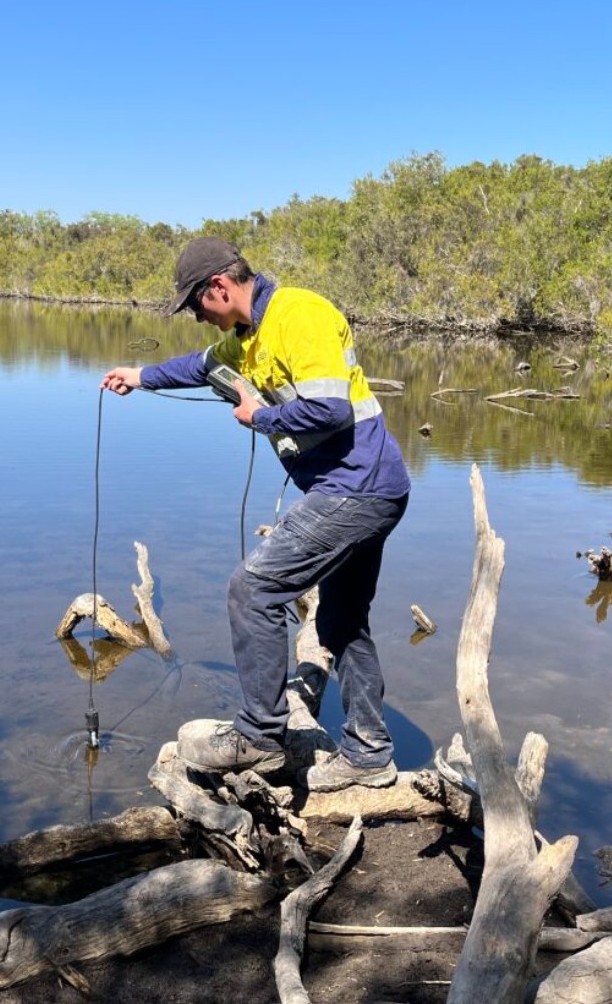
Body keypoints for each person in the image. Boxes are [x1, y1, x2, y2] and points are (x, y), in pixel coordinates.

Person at [101, 237, 411, 792]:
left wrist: (259, 416)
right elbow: (198, 368)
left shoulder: (299, 312)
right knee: (341, 622)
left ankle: (261, 737)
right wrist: (140, 376)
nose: (196, 316)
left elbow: (330, 407)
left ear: (219, 286)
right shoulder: (248, 337)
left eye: (196, 305)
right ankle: (369, 754)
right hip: (365, 489)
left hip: (356, 490)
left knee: (254, 589)